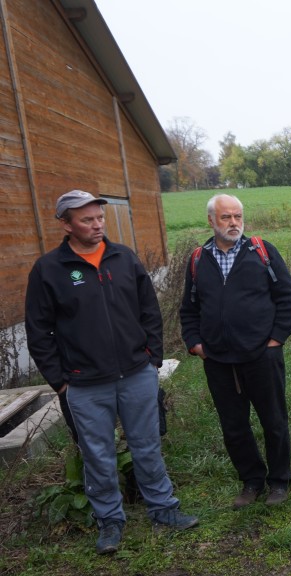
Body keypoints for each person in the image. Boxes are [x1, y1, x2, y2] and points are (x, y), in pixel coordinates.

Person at [24, 189, 198, 555]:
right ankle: (110, 522)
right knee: (97, 455)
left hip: (136, 373)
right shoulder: (49, 270)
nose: (97, 225)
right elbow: (39, 332)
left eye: (99, 218)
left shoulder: (123, 258)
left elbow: (149, 309)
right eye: (86, 220)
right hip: (85, 384)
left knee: (147, 446)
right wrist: (60, 381)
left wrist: (152, 358)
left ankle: (164, 509)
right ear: (66, 224)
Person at [180, 194, 291, 510]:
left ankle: (279, 481)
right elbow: (189, 310)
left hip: (261, 356)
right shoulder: (197, 259)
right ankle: (251, 480)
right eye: (226, 217)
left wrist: (276, 340)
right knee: (233, 425)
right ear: (211, 220)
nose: (234, 223)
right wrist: (195, 344)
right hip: (218, 360)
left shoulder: (261, 251)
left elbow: (288, 298)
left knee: (273, 420)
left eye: (238, 216)